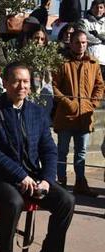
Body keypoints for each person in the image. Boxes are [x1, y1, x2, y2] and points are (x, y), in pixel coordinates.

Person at [0, 62, 76, 252]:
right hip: (1, 177)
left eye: (25, 81)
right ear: (5, 83)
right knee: (14, 202)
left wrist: (47, 180)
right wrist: (20, 175)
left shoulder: (37, 113)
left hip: (34, 176)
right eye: (16, 81)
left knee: (66, 201)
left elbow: (49, 150)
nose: (21, 86)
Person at [53, 30, 104, 196]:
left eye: (83, 42)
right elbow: (53, 86)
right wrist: (68, 102)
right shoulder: (62, 63)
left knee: (81, 152)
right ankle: (60, 183)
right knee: (62, 151)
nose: (81, 45)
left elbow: (100, 85)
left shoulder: (93, 63)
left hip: (84, 117)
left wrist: (92, 103)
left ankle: (80, 183)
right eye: (77, 42)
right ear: (70, 43)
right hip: (66, 116)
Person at [79, 0, 105, 79]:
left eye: (101, 7)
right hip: (89, 60)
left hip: (103, 62)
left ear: (104, 10)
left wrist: (96, 34)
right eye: (96, 7)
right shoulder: (84, 22)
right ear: (91, 8)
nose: (98, 10)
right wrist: (101, 40)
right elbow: (84, 36)